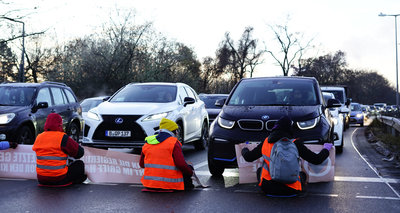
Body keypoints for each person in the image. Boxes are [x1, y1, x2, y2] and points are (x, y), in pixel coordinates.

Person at [241, 115, 333, 196]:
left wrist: (244, 149)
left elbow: (248, 157)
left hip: (268, 188)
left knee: (260, 170)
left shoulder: (266, 142)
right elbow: (316, 160)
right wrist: (326, 149)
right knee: (303, 175)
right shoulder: (295, 143)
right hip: (292, 189)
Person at [140, 118, 194, 191]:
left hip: (150, 184)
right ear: (173, 131)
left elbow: (142, 164)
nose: (177, 133)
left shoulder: (148, 142)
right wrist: (190, 171)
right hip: (170, 184)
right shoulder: (173, 142)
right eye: (176, 131)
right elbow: (181, 164)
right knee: (188, 169)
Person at [32, 113, 86, 186]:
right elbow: (80, 153)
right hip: (59, 178)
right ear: (60, 124)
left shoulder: (39, 137)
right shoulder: (62, 137)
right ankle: (75, 181)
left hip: (42, 179)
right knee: (79, 164)